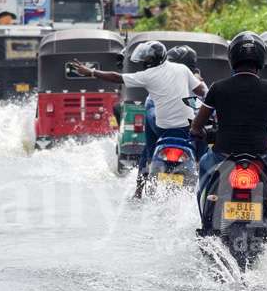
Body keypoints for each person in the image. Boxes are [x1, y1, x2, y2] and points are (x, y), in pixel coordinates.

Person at [69, 41, 208, 198]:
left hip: (162, 129)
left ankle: (140, 187)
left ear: (148, 63)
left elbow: (116, 77)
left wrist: (91, 72)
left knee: (148, 144)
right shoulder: (183, 71)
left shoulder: (148, 77)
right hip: (186, 127)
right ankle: (203, 179)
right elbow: (203, 91)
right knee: (203, 138)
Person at [191, 31, 267, 197]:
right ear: (261, 58)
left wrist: (197, 132)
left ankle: (206, 210)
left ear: (232, 58)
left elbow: (197, 124)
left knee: (203, 163)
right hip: (259, 154)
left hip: (223, 154)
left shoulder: (218, 87)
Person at [139, 45, 208, 174]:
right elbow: (202, 106)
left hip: (163, 129)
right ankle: (199, 164)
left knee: (148, 149)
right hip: (187, 130)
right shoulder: (196, 83)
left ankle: (139, 187)